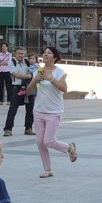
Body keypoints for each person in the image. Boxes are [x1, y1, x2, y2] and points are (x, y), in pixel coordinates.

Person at [26, 46, 77, 178]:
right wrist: (35, 79)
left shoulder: (60, 72)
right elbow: (29, 91)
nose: (46, 54)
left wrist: (51, 78)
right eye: (44, 52)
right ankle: (48, 170)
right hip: (39, 110)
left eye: (49, 53)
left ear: (54, 57)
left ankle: (69, 147)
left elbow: (64, 88)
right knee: (39, 142)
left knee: (48, 141)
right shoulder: (38, 71)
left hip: (54, 111)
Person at [2, 46, 35, 137]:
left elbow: (36, 71)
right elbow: (16, 74)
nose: (21, 55)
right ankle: (8, 129)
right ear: (15, 54)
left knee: (30, 109)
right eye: (19, 53)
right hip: (17, 88)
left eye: (22, 54)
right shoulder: (11, 62)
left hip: (28, 88)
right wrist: (29, 77)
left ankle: (28, 128)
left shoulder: (28, 62)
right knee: (12, 110)